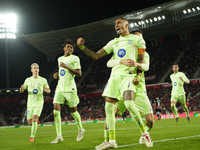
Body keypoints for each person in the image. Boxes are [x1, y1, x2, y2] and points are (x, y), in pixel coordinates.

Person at [77, 19, 153, 149]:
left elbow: (141, 61)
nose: (116, 25)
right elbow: (96, 56)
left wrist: (138, 75)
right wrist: (82, 47)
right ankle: (111, 141)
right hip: (114, 77)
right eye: (115, 24)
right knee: (109, 109)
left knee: (129, 103)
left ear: (127, 25)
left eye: (119, 22)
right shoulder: (114, 42)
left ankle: (145, 133)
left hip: (128, 76)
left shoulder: (137, 40)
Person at [51, 39, 85, 144]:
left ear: (73, 50)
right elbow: (61, 72)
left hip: (70, 88)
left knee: (73, 111)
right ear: (64, 48)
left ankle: (80, 129)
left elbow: (79, 73)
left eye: (71, 47)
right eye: (68, 47)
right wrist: (56, 75)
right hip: (59, 88)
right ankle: (59, 136)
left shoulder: (75, 58)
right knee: (56, 112)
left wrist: (67, 66)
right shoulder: (60, 59)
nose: (69, 48)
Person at [20, 63, 51, 142]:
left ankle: (32, 136)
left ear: (39, 70)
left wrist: (47, 90)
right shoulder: (28, 80)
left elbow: (48, 90)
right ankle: (36, 121)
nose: (36, 69)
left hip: (39, 102)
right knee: (30, 122)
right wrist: (22, 89)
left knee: (34, 119)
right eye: (34, 68)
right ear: (31, 70)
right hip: (30, 103)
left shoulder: (43, 80)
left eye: (37, 68)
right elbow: (22, 90)